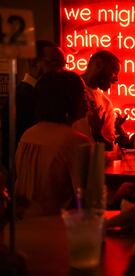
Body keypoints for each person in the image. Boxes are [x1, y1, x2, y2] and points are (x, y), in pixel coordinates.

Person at [15, 71, 91, 217]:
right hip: (58, 228)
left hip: (25, 223)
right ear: (67, 99)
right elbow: (87, 200)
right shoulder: (75, 141)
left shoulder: (28, 134)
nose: (87, 99)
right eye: (82, 93)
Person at [1, 40, 65, 167]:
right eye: (54, 63)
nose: (61, 70)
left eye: (63, 65)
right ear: (34, 63)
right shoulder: (22, 97)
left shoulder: (39, 93)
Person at [73, 50, 120, 150]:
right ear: (98, 64)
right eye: (114, 72)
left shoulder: (106, 104)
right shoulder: (68, 89)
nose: (116, 79)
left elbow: (109, 146)